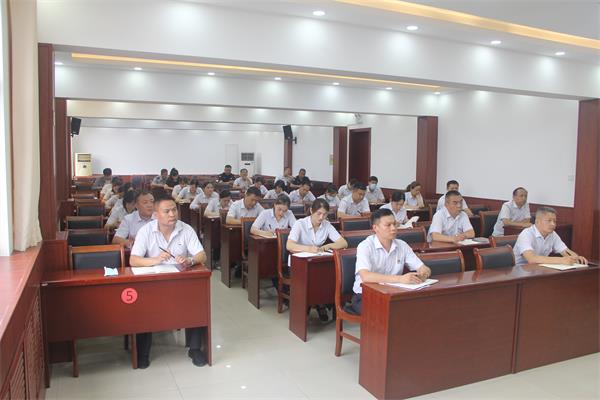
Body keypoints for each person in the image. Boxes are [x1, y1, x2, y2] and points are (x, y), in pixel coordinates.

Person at [129, 195, 207, 369]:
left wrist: (190, 260)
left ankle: (195, 349)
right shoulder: (146, 231)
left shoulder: (186, 229)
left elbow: (202, 255)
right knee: (143, 308)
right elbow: (133, 260)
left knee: (198, 302)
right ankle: (143, 352)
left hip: (180, 282)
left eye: (174, 210)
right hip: (153, 283)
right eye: (167, 211)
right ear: (156, 214)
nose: (172, 214)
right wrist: (155, 260)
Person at [351, 208, 432, 314]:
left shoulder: (402, 245)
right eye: (388, 225)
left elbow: (421, 267)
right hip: (365, 295)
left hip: (393, 294)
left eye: (394, 224)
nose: (393, 228)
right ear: (375, 228)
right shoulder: (365, 246)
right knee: (387, 313)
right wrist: (400, 279)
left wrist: (424, 272)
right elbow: (366, 276)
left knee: (419, 307)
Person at [287, 199, 348, 321]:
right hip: (298, 264)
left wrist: (327, 246)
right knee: (314, 282)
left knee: (327, 278)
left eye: (324, 214)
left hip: (317, 263)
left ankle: (321, 303)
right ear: (311, 211)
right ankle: (310, 306)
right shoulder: (300, 224)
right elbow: (289, 245)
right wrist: (308, 249)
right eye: (318, 214)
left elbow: (343, 243)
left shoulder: (326, 225)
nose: (321, 217)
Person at [513, 207, 587, 266]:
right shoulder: (526, 234)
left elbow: (565, 251)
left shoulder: (552, 234)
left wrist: (576, 258)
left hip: (538, 269)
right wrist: (561, 260)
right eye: (549, 221)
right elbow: (531, 259)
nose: (553, 224)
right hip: (519, 270)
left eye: (554, 221)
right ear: (537, 221)